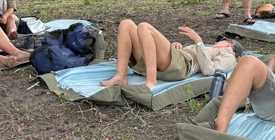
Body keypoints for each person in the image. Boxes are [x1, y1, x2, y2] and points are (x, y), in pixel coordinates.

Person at [100, 20, 243, 89]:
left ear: (230, 45)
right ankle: (121, 76)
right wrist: (178, 47)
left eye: (221, 41)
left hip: (180, 67)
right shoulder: (208, 49)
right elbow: (192, 54)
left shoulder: (230, 56)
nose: (217, 42)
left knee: (144, 27)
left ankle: (151, 81)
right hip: (174, 60)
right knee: (126, 24)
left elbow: (209, 70)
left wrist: (198, 41)